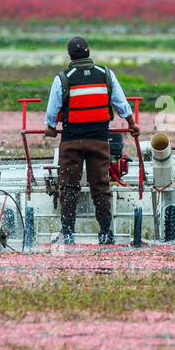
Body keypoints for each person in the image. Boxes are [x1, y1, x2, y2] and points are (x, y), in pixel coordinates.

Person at [44, 36, 137, 244]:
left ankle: (67, 233)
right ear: (89, 52)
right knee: (101, 186)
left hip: (70, 142)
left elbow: (52, 111)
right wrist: (131, 123)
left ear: (70, 55)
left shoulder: (63, 79)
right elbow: (121, 103)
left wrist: (50, 128)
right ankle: (105, 232)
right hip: (99, 140)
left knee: (68, 186)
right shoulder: (106, 75)